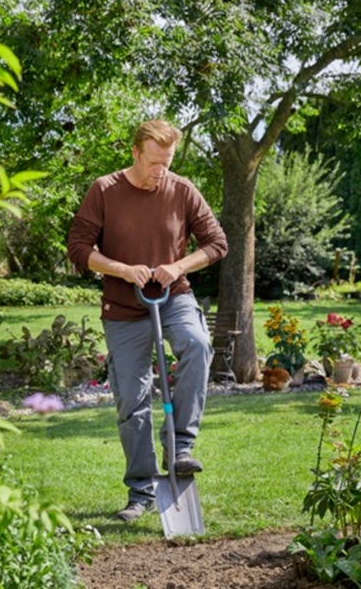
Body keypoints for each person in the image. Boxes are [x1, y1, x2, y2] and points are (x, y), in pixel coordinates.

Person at [67, 119, 228, 522]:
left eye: (168, 162)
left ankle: (181, 447)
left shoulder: (182, 189)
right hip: (123, 309)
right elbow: (78, 247)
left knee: (196, 344)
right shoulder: (104, 190)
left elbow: (216, 243)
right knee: (132, 401)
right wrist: (121, 269)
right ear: (135, 153)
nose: (161, 171)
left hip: (173, 297)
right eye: (154, 162)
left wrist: (178, 265)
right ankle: (140, 492)